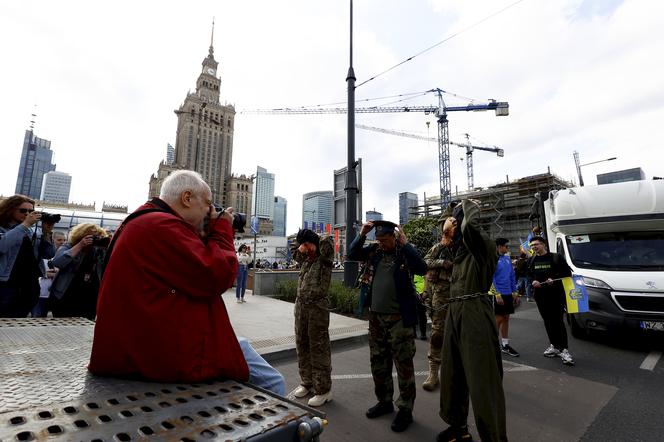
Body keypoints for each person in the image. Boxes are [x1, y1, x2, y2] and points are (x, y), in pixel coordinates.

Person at [89, 170, 285, 395]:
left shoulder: (143, 221)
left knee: (242, 351)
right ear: (187, 198)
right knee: (273, 383)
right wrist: (222, 229)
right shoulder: (161, 225)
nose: (209, 213)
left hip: (143, 344)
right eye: (208, 204)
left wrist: (205, 231)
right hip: (163, 353)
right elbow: (218, 275)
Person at [348, 220, 428, 433]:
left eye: (385, 240)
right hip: (376, 319)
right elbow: (351, 253)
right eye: (379, 240)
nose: (382, 243)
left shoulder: (404, 253)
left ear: (395, 237)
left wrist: (407, 243)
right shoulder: (375, 252)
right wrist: (363, 233)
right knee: (378, 363)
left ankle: (405, 410)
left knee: (403, 365)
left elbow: (422, 268)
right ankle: (384, 401)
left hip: (399, 320)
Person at [437, 200, 507, 442]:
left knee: (482, 382)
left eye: (455, 222)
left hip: (475, 316)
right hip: (454, 314)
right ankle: (458, 427)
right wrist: (448, 228)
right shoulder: (459, 255)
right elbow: (442, 243)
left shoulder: (483, 247)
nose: (451, 227)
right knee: (452, 375)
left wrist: (468, 207)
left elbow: (470, 230)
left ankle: (494, 437)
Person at [291, 229, 334, 407]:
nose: (305, 249)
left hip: (317, 306)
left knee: (318, 347)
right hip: (301, 305)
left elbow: (326, 243)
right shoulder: (306, 256)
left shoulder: (325, 254)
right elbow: (295, 255)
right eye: (303, 246)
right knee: (302, 344)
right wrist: (301, 246)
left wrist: (314, 240)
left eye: (307, 245)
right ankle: (307, 382)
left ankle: (323, 390)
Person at [0, 195, 56, 317]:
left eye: (31, 211)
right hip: (6, 284)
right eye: (23, 210)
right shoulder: (3, 228)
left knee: (18, 323)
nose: (27, 214)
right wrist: (25, 225)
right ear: (10, 210)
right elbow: (2, 246)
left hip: (29, 286)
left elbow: (49, 254)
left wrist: (47, 233)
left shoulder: (32, 231)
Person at [527, 236, 574, 366]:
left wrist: (554, 279)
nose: (534, 247)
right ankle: (553, 345)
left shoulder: (556, 257)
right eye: (532, 246)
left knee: (558, 321)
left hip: (556, 295)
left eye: (536, 244)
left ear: (544, 245)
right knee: (547, 321)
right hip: (540, 296)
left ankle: (564, 350)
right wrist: (533, 281)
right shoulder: (531, 260)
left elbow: (567, 274)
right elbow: (529, 274)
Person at [49, 224, 110, 320]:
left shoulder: (98, 251)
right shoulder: (69, 246)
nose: (93, 240)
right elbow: (57, 262)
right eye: (91, 237)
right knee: (62, 328)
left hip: (89, 299)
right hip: (66, 297)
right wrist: (80, 245)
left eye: (97, 237)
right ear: (81, 236)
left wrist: (108, 247)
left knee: (84, 329)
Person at [421, 224, 455, 392]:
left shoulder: (466, 245)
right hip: (442, 294)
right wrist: (443, 262)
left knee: (461, 333)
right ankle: (433, 373)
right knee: (437, 333)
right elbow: (426, 262)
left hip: (462, 292)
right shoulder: (439, 247)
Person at [492, 238, 520, 358]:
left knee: (506, 318)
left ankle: (505, 345)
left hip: (508, 293)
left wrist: (515, 292)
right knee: (497, 319)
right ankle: (492, 345)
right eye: (506, 246)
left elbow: (512, 276)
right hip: (498, 294)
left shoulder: (507, 259)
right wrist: (496, 294)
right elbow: (490, 278)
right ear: (499, 247)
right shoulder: (493, 259)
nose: (508, 248)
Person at [31, 231, 67, 318]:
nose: (62, 242)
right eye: (59, 240)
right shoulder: (43, 254)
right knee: (38, 319)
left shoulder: (65, 257)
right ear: (53, 240)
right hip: (42, 294)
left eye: (64, 240)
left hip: (54, 295)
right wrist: (47, 274)